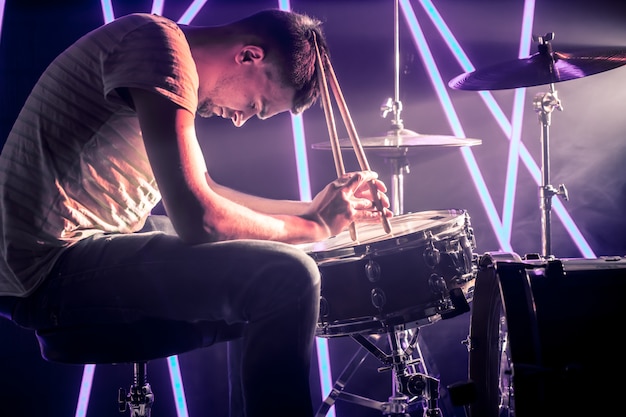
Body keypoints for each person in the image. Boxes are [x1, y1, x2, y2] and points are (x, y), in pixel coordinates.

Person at [0, 8, 392, 417]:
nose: (241, 120)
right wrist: (311, 226)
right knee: (289, 277)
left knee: (270, 263)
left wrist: (309, 210)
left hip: (62, 255)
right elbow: (199, 219)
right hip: (46, 271)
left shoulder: (165, 51)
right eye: (256, 105)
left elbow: (206, 191)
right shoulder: (158, 49)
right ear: (249, 56)